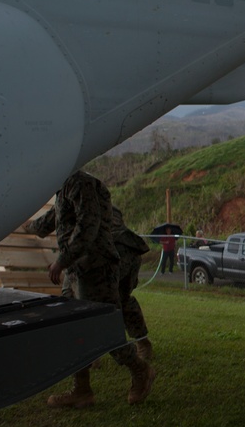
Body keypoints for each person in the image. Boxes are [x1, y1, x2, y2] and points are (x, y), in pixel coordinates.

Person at [24, 170, 155, 408]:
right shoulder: (63, 188)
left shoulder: (80, 183)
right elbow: (48, 222)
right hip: (76, 270)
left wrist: (61, 260)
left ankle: (140, 370)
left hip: (96, 269)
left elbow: (88, 227)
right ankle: (82, 390)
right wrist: (24, 225)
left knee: (103, 331)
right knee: (75, 329)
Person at [111, 205, 153, 361]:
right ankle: (143, 343)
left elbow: (45, 224)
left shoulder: (73, 200)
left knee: (94, 301)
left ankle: (93, 354)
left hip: (112, 253)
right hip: (131, 248)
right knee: (123, 299)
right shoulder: (105, 203)